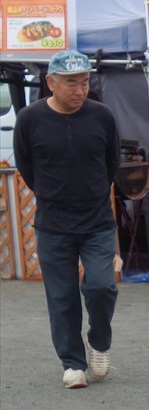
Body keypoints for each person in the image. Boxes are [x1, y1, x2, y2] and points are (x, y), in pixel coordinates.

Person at [13, 50, 120, 390]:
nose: (80, 90)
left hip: (97, 221)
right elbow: (25, 165)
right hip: (53, 223)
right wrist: (52, 194)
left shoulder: (102, 116)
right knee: (61, 297)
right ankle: (73, 363)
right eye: (71, 83)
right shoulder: (29, 119)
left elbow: (112, 163)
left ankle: (99, 342)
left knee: (102, 286)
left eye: (84, 82)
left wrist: (92, 193)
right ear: (50, 82)